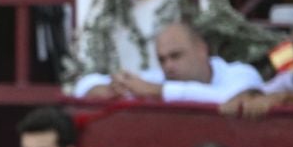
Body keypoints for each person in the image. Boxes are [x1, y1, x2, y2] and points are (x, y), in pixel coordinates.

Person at [72, 22, 264, 104]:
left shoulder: (242, 73)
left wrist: (159, 91)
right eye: (162, 59)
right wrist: (109, 89)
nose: (168, 66)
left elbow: (228, 100)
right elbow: (83, 85)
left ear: (202, 50)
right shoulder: (157, 79)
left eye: (176, 56)